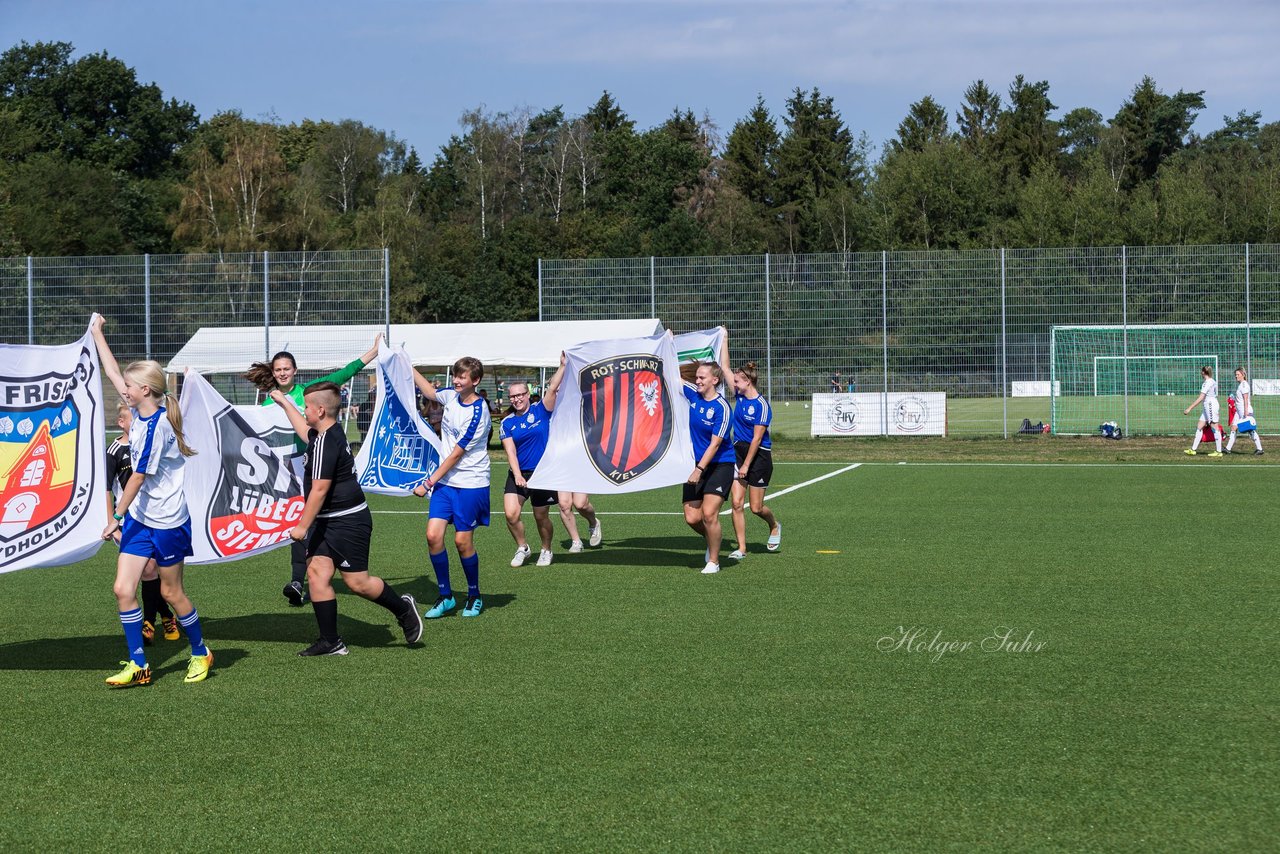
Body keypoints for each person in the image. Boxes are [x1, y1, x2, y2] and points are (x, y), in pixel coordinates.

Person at [90, 316, 213, 687]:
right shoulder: (137, 412)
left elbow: (139, 477)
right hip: (142, 520)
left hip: (169, 522)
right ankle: (138, 663)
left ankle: (200, 651)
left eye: (128, 386)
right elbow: (111, 370)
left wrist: (115, 516)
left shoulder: (158, 427)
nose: (122, 389)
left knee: (170, 592)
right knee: (122, 589)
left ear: (144, 390)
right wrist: (97, 332)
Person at [269, 382, 423, 656]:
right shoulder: (322, 433)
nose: (304, 411)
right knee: (317, 573)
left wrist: (302, 526)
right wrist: (283, 403)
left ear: (319, 410)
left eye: (305, 407)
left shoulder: (327, 442)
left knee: (358, 583)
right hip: (327, 520)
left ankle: (403, 608)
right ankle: (330, 641)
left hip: (348, 521)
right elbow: (305, 432)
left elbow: (319, 489)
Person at [243, 334, 381, 607]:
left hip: (311, 466)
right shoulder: (266, 402)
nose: (282, 373)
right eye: (278, 369)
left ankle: (297, 579)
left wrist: (373, 353)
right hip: (281, 470)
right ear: (273, 372)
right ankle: (298, 579)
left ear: (295, 371)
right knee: (295, 520)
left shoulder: (309, 392)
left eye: (287, 368)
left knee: (303, 519)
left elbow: (344, 374)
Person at [410, 357, 491, 618]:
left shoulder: (479, 412)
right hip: (446, 483)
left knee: (461, 541)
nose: (456, 380)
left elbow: (456, 455)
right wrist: (406, 366)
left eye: (462, 377)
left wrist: (428, 482)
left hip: (470, 483)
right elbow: (430, 392)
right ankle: (446, 596)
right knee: (433, 536)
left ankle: (474, 594)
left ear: (475, 381)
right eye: (455, 376)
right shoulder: (451, 396)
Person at [106, 401, 178, 646]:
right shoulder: (114, 451)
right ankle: (153, 622)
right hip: (128, 520)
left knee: (154, 572)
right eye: (131, 420)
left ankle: (162, 617)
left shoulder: (151, 439)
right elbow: (106, 488)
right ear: (122, 422)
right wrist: (112, 521)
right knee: (146, 571)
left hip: (156, 515)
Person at [499, 358, 567, 567]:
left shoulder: (541, 410)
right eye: (513, 396)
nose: (517, 399)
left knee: (541, 516)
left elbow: (553, 388)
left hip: (543, 474)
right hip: (519, 474)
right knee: (511, 515)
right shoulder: (507, 422)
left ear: (528, 394)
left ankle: (546, 550)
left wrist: (563, 366)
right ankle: (523, 547)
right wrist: (517, 474)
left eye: (520, 394)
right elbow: (510, 451)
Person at [682, 357, 736, 575]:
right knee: (692, 518)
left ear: (715, 380)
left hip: (720, 465)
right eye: (696, 377)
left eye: (702, 377)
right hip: (695, 464)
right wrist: (668, 343)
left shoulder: (722, 408)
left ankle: (713, 561)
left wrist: (699, 469)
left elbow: (715, 445)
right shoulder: (692, 395)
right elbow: (671, 378)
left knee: (709, 514)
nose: (697, 381)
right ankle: (712, 539)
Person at [728, 360, 782, 559]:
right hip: (738, 452)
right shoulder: (739, 396)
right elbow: (725, 367)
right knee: (736, 503)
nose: (733, 385)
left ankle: (774, 525)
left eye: (736, 382)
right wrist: (723, 339)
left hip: (758, 456)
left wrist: (746, 465)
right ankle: (741, 548)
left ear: (748, 382)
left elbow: (757, 439)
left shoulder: (762, 406)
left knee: (756, 508)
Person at [1183, 365, 1223, 457]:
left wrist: (1190, 408)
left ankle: (1218, 451)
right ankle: (1193, 449)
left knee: (1214, 426)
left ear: (1203, 372)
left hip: (1210, 405)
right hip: (1209, 405)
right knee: (1200, 426)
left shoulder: (1207, 383)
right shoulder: (1212, 381)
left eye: (1201, 371)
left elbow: (1201, 397)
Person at [1226, 367, 1264, 455]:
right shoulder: (1240, 385)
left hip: (1244, 412)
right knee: (1233, 428)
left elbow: (1246, 399)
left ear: (1243, 375)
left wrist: (1246, 412)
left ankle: (1260, 449)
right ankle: (1228, 449)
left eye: (1238, 374)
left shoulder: (1244, 384)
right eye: (1235, 375)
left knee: (1250, 430)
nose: (1236, 376)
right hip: (1238, 412)